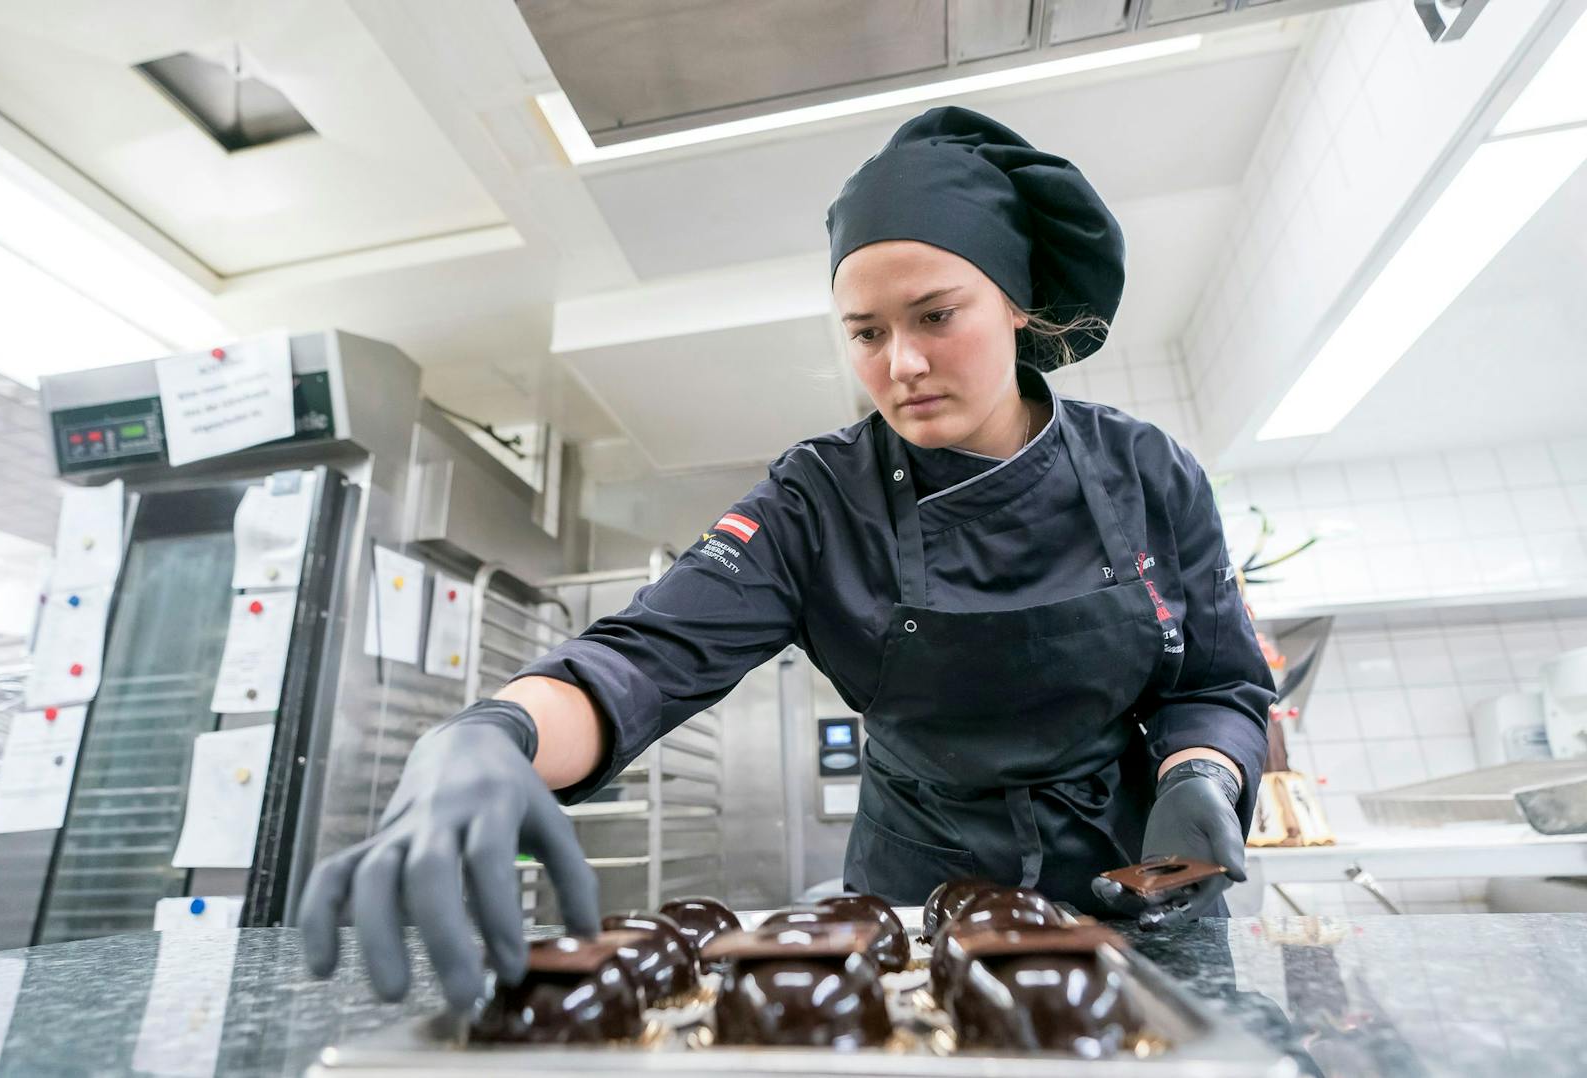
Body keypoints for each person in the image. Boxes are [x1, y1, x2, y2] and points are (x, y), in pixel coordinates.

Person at [300, 105, 1275, 1012]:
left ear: (1017, 302)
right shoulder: (819, 499)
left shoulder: (1145, 471)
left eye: (935, 315)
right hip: (916, 894)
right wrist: (494, 732)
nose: (899, 363)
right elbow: (649, 655)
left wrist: (1198, 775)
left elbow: (1218, 680)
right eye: (864, 331)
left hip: (1130, 883)